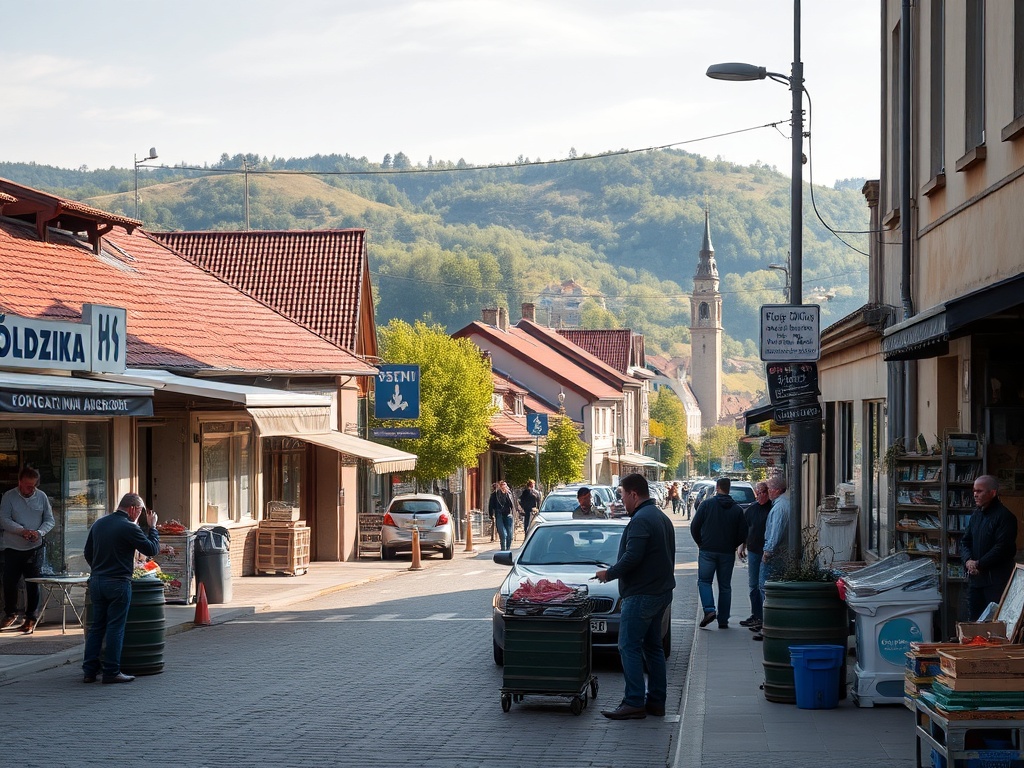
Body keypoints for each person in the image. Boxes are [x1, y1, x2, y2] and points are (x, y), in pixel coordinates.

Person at [594, 473, 675, 720]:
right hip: (660, 592)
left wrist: (609, 573)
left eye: (622, 496)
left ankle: (634, 701)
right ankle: (656, 702)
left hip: (642, 594)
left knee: (628, 646)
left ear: (633, 494)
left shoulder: (641, 520)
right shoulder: (660, 517)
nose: (622, 501)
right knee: (653, 648)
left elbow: (633, 556)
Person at [82, 492, 160, 684]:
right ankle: (111, 671)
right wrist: (153, 528)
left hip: (97, 581)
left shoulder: (99, 524)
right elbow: (152, 549)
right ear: (132, 508)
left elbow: (87, 552)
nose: (140, 516)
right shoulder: (128, 526)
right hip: (118, 582)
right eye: (140, 512)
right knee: (115, 627)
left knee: (97, 627)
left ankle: (89, 671)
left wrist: (98, 569)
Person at [0, 466, 55, 634]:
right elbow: (4, 519)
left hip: (34, 546)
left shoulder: (41, 496)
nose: (31, 489)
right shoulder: (9, 496)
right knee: (9, 582)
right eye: (28, 486)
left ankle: (31, 617)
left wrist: (39, 532)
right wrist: (21, 531)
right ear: (20, 483)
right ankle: (10, 613)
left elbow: (49, 520)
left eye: (34, 486)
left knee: (33, 583)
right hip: (13, 546)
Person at [690, 477, 747, 629]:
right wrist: (733, 545)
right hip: (727, 552)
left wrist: (700, 542)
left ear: (717, 488)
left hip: (707, 550)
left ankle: (709, 609)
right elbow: (743, 533)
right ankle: (723, 620)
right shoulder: (737, 509)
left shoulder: (706, 505)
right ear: (729, 489)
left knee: (704, 581)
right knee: (725, 586)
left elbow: (694, 526)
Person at [961, 475, 1018, 620]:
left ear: (992, 493)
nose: (975, 494)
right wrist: (968, 561)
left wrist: (979, 563)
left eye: (979, 491)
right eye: (974, 491)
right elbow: (966, 541)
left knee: (994, 622)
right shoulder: (976, 515)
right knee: (974, 622)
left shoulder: (1005, 517)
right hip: (975, 581)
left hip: (996, 582)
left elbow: (1003, 548)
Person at [753, 475, 790, 641]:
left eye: (768, 489)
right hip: (780, 554)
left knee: (765, 588)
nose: (766, 492)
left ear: (776, 490)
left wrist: (767, 552)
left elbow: (775, 533)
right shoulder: (781, 504)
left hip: (775, 556)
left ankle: (768, 625)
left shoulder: (780, 507)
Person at [738, 481, 772, 632]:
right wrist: (742, 545)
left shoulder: (772, 509)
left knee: (763, 584)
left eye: (761, 493)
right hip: (753, 550)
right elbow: (745, 529)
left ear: (767, 493)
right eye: (757, 493)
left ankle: (764, 618)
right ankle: (756, 614)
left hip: (766, 552)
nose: (759, 496)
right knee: (753, 584)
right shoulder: (751, 509)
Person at [487, 480, 516, 550]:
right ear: (499, 486)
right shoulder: (495, 494)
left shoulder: (509, 494)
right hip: (499, 514)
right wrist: (491, 514)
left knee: (510, 534)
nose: (503, 487)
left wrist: (514, 513)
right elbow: (491, 505)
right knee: (502, 533)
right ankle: (503, 549)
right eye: (502, 485)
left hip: (508, 514)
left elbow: (513, 504)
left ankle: (508, 549)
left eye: (504, 485)